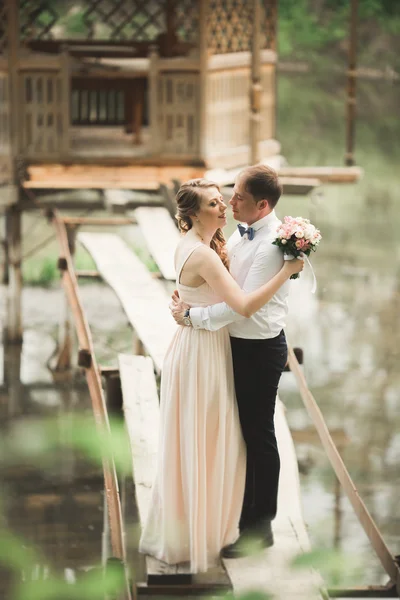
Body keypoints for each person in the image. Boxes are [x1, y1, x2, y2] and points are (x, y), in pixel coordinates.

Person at [139, 177, 303, 573]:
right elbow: (242, 303)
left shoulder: (221, 244)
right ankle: (211, 527)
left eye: (230, 198)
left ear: (261, 205)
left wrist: (192, 313)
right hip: (208, 349)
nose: (226, 205)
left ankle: (250, 526)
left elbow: (223, 300)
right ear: (193, 213)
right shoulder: (208, 251)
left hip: (229, 347)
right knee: (209, 436)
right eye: (215, 202)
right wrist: (287, 272)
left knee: (238, 435)